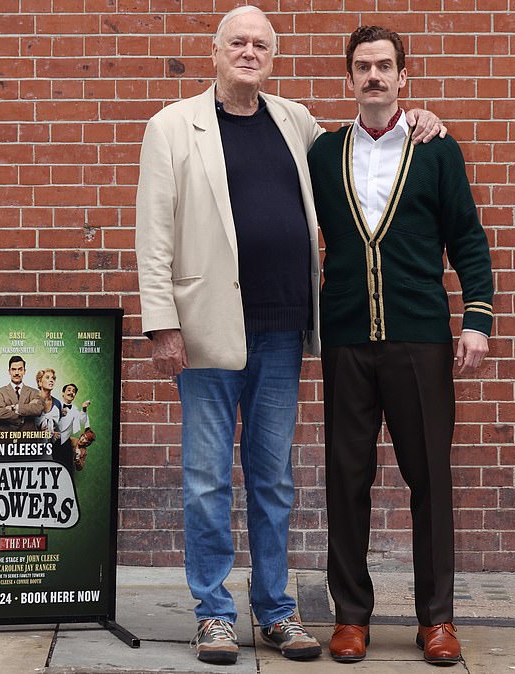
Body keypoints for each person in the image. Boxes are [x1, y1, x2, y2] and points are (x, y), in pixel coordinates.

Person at [136, 6, 443, 666]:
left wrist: (423, 119)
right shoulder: (171, 128)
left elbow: (363, 142)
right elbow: (154, 232)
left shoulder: (295, 122)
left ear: (272, 57)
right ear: (215, 53)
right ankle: (215, 613)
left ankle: (275, 610)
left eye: (261, 44)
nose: (249, 52)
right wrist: (162, 324)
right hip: (207, 334)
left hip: (281, 333)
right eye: (237, 43)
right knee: (206, 481)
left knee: (273, 480)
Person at [307, 25, 494, 666]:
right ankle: (351, 617)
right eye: (363, 67)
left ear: (403, 77)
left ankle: (436, 619)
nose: (374, 77)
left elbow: (468, 239)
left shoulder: (437, 150)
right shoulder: (323, 154)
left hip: (419, 339)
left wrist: (476, 319)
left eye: (385, 66)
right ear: (349, 78)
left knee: (430, 480)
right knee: (346, 477)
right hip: (348, 340)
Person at [0, 356, 43, 434]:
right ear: (9, 371)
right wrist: (27, 408)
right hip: (5, 439)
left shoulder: (35, 392)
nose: (16, 373)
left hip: (27, 439)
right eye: (13, 369)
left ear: (24, 371)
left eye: (20, 369)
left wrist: (14, 407)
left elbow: (37, 410)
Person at [57, 383, 91, 465]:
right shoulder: (55, 405)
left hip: (65, 442)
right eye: (69, 390)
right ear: (63, 393)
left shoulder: (75, 410)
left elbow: (82, 421)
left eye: (73, 391)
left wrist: (84, 408)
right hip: (52, 441)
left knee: (66, 466)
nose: (71, 392)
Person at [35, 368, 63, 464]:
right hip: (33, 449)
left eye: (53, 378)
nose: (51, 380)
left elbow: (58, 427)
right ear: (39, 382)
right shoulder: (32, 401)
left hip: (52, 450)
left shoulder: (58, 404)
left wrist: (55, 434)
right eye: (47, 377)